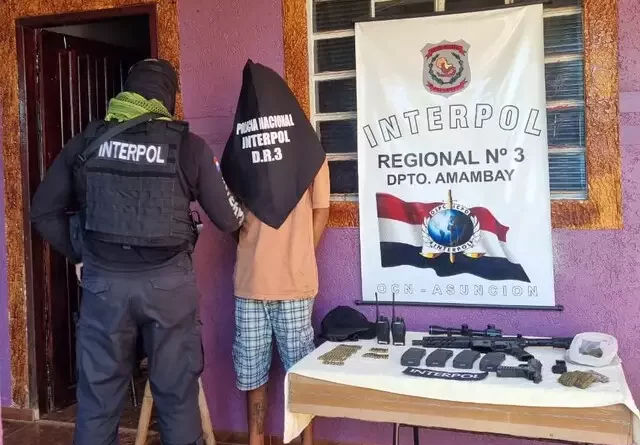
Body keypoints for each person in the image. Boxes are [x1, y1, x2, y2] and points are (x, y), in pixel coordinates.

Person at [30, 59, 244, 445]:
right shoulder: (189, 147)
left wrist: (80, 254)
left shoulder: (88, 142)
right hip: (169, 289)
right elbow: (229, 219)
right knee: (176, 400)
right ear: (168, 96)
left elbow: (43, 211)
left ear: (128, 90)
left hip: (104, 288)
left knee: (97, 404)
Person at [232, 159, 330, 445]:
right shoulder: (244, 146)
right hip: (252, 284)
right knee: (254, 375)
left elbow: (322, 211)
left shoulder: (310, 152)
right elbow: (231, 214)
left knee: (299, 375)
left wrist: (299, 257)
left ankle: (305, 441)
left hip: (292, 286)